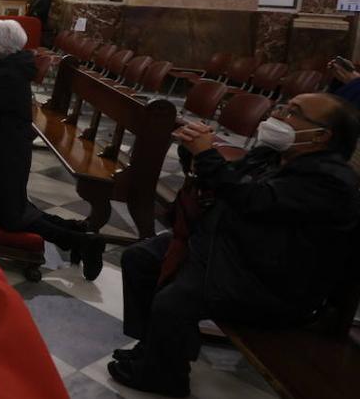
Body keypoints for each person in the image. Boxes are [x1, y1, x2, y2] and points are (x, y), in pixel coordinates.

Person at [111, 94, 360, 397]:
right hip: (240, 249)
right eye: (281, 107)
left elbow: (253, 200)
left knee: (173, 301)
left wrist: (208, 156)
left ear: (321, 135)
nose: (279, 115)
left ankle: (165, 377)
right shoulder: (273, 154)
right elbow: (230, 181)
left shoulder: (330, 181)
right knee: (139, 260)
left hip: (272, 282)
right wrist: (195, 153)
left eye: (293, 113)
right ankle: (153, 348)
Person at [0, 20, 105, 279]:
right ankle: (78, 230)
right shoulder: (2, 64)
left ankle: (83, 243)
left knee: (10, 216)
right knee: (8, 207)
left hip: (4, 153)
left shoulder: (9, 75)